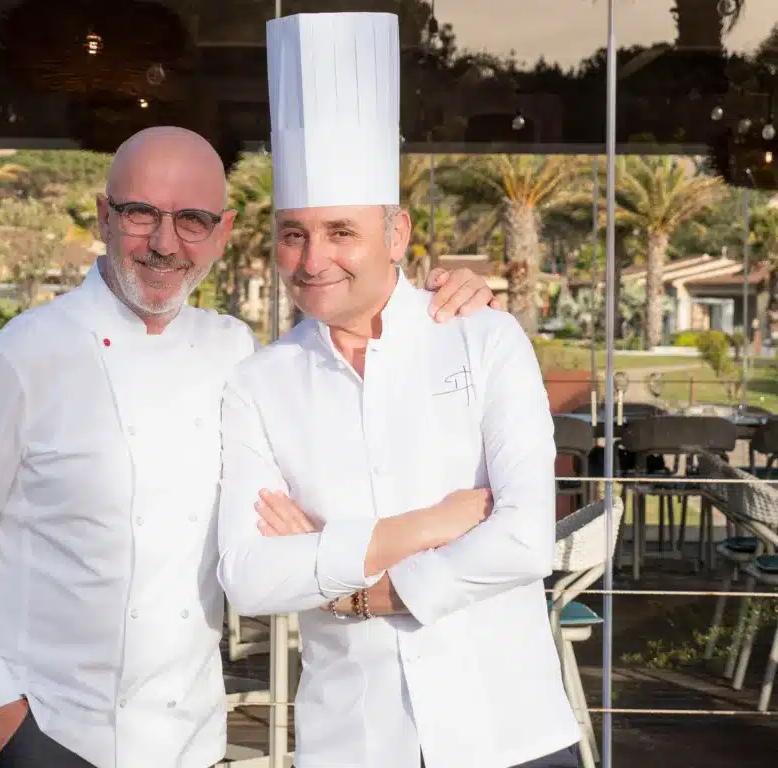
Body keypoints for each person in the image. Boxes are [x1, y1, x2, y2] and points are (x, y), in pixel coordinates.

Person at [0, 123, 499, 768]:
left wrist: (437, 311)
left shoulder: (235, 352)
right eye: (139, 214)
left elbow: (352, 385)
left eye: (191, 220)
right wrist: (0, 714)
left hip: (193, 738)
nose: (163, 243)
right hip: (55, 731)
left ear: (223, 230)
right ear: (104, 216)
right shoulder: (21, 359)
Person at [216, 12, 581, 768]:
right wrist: (436, 524)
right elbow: (250, 577)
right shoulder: (259, 383)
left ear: (398, 233)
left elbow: (523, 536)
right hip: (353, 741)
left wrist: (346, 579)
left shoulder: (483, 338)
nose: (313, 259)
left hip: (508, 731)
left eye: (340, 231)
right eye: (293, 232)